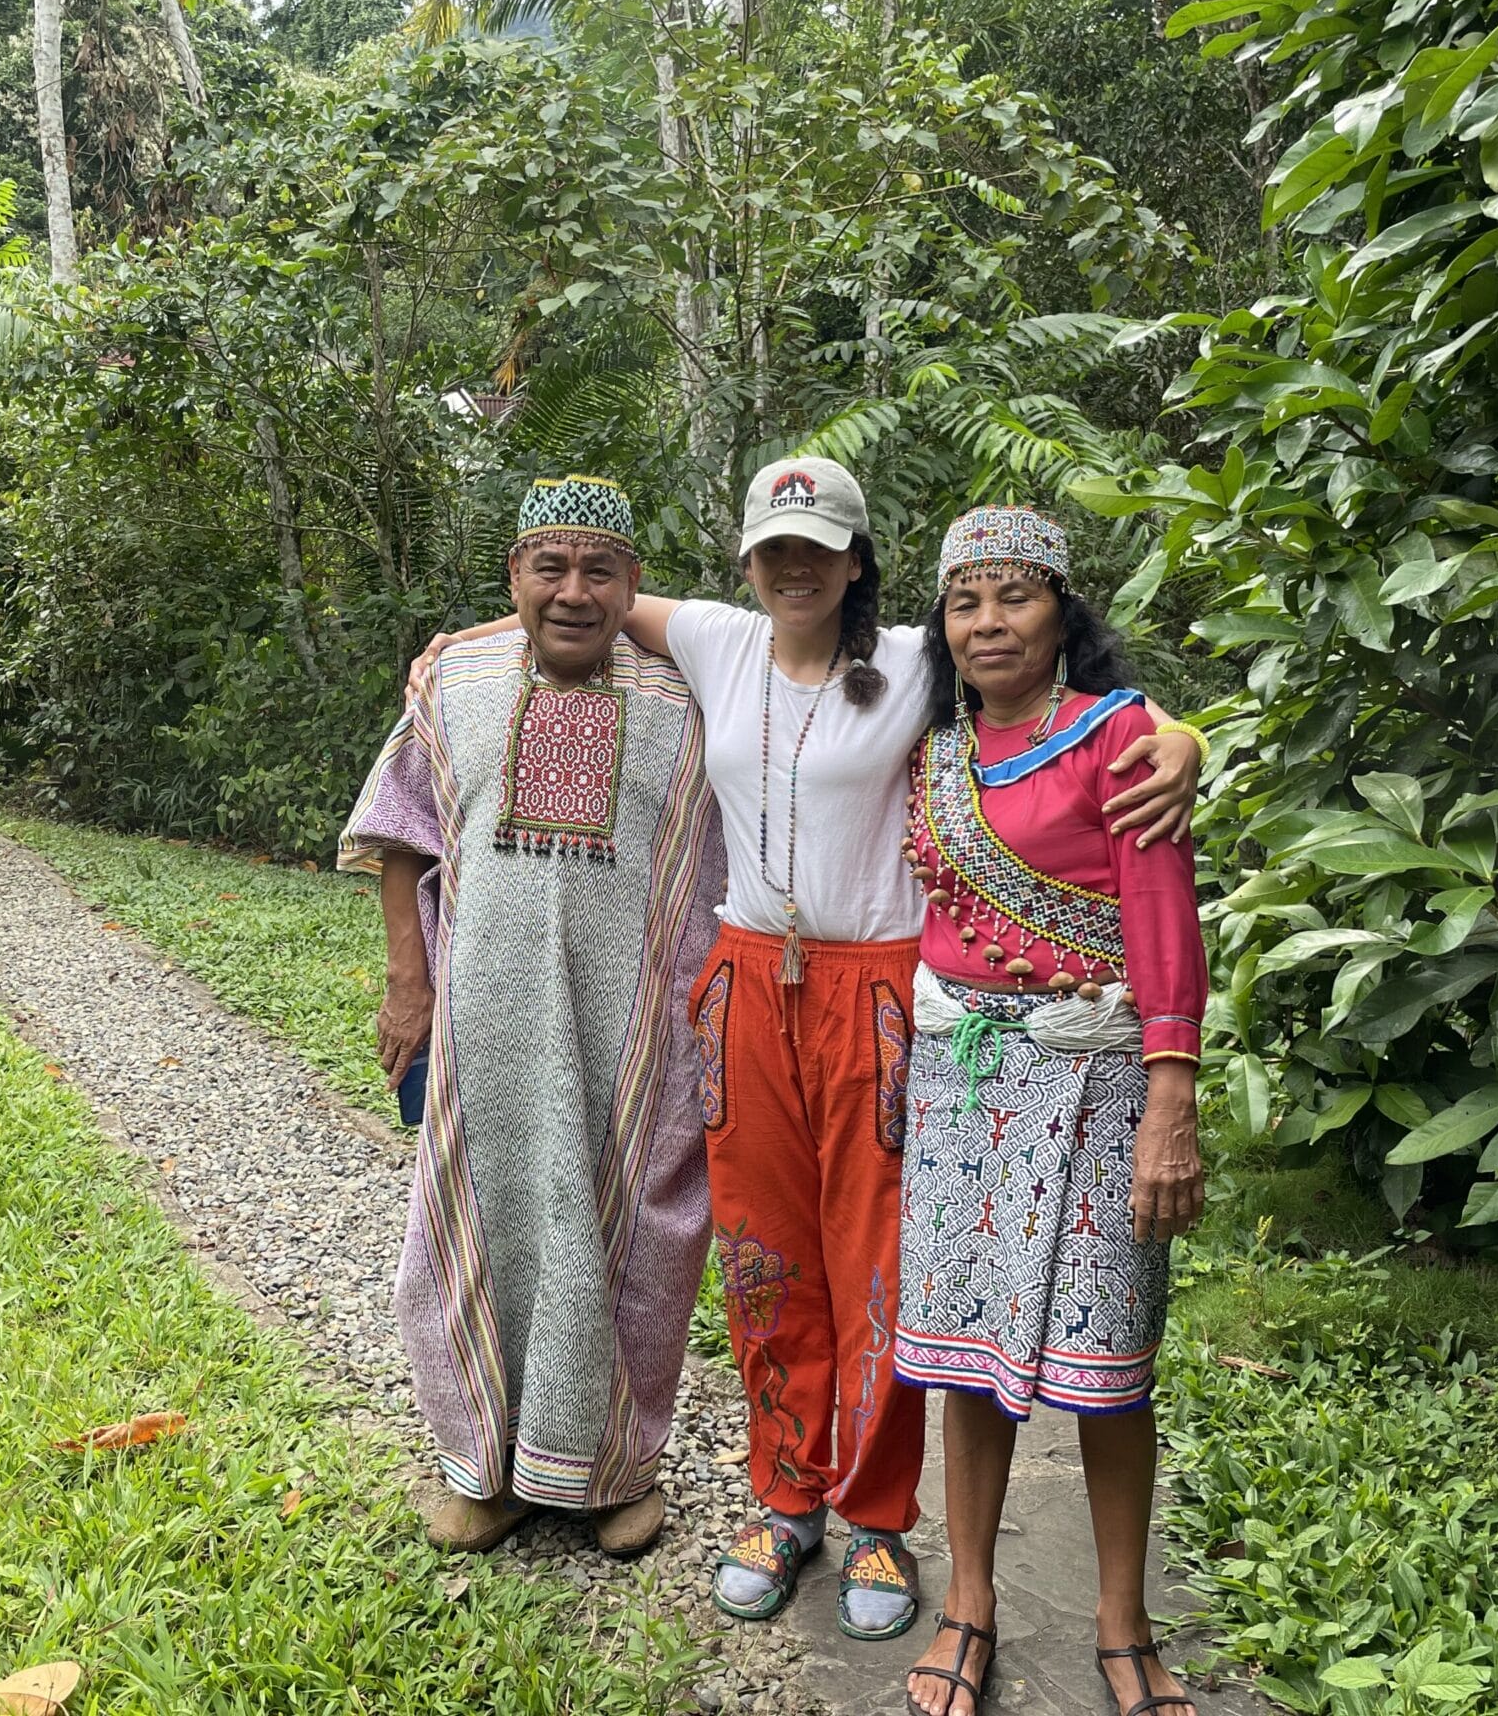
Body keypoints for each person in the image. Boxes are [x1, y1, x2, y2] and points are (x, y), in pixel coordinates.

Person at [417, 459, 1200, 1643]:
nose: (796, 567)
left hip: (876, 990)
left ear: (855, 561)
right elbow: (580, 589)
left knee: (875, 1255)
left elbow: (1062, 705)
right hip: (741, 986)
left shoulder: (919, 667)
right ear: (747, 560)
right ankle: (785, 1499)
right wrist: (451, 652)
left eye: (819, 548)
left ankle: (880, 1517)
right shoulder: (720, 643)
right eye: (774, 547)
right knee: (761, 1249)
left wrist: (1181, 736)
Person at [338, 474, 724, 1559]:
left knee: (637, 1233)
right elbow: (402, 828)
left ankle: (611, 1469)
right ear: (512, 579)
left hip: (637, 1029)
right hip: (484, 1022)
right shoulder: (453, 678)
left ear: (634, 585)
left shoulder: (686, 696)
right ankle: (481, 1464)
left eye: (599, 568)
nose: (573, 591)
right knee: (476, 1219)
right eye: (548, 566)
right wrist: (408, 983)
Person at [891, 505, 1207, 1716]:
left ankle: (1122, 1622)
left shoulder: (1122, 738)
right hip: (964, 1086)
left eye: (1014, 596)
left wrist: (1170, 1102)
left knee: (1111, 1360)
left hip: (1098, 1081)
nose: (987, 623)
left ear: (1063, 612)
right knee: (964, 1357)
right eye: (965, 602)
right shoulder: (936, 755)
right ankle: (970, 1604)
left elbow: (1164, 923)